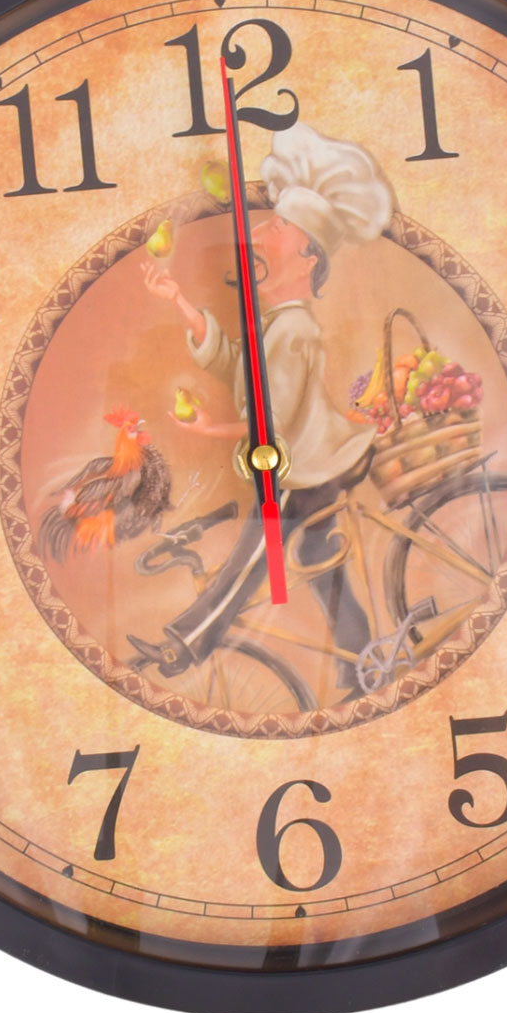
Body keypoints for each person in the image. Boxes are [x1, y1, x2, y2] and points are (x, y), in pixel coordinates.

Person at [132, 123, 394, 697]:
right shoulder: (277, 322)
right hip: (307, 462)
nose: (260, 230)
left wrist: (211, 429)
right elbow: (238, 367)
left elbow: (275, 425)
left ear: (306, 255)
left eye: (277, 226)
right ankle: (365, 667)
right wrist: (180, 302)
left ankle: (185, 641)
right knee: (322, 560)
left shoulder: (295, 330)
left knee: (257, 550)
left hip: (311, 466)